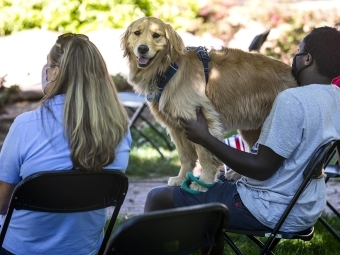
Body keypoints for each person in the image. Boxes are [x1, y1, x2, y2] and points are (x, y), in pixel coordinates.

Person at [144, 26, 340, 255]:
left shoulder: (292, 101)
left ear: (306, 59)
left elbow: (261, 168)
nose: (293, 59)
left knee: (158, 197)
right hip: (306, 206)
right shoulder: (335, 98)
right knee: (210, 188)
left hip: (267, 208)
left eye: (298, 51)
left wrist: (205, 137)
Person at [0, 33, 132, 255]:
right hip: (85, 250)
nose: (45, 70)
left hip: (19, 250)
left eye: (49, 65)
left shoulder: (25, 126)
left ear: (56, 73)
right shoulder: (119, 128)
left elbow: (2, 203)